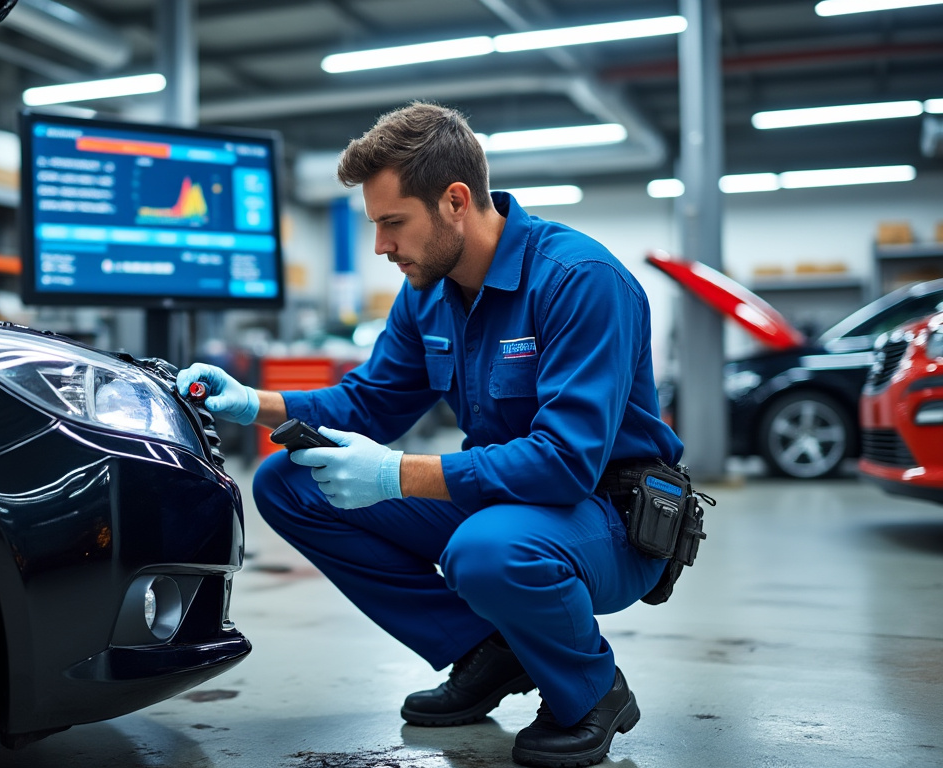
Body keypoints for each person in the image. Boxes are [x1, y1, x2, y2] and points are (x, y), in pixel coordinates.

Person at [176, 102, 684, 768]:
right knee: (289, 482)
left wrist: (395, 475)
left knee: (488, 550)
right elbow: (369, 402)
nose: (380, 246)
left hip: (608, 518)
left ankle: (592, 690)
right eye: (375, 225)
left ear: (455, 202)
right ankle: (487, 649)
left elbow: (564, 464)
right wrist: (251, 403)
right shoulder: (428, 292)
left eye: (393, 223)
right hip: (506, 502)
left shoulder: (580, 282)